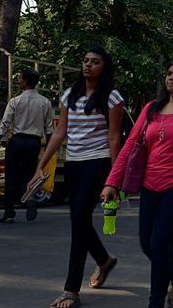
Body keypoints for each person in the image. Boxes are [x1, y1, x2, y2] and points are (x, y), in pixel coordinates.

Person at [103, 57, 173, 308]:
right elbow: (130, 144)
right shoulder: (151, 108)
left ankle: (155, 303)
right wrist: (112, 182)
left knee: (160, 243)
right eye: (169, 73)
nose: (171, 78)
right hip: (150, 186)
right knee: (147, 245)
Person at [32, 47, 124, 308]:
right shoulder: (69, 95)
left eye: (95, 62)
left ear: (104, 67)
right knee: (78, 219)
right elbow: (60, 133)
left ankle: (71, 289)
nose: (88, 65)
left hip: (98, 162)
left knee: (78, 221)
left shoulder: (112, 97)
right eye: (85, 61)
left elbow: (114, 137)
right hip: (73, 163)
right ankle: (104, 261)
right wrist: (41, 164)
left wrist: (113, 178)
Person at [0, 68, 53, 223]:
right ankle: (30, 201)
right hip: (34, 142)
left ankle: (9, 213)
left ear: (25, 81)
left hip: (17, 141)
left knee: (11, 177)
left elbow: (5, 122)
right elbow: (49, 128)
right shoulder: (45, 102)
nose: (19, 81)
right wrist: (50, 147)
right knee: (30, 174)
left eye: (20, 78)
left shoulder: (15, 101)